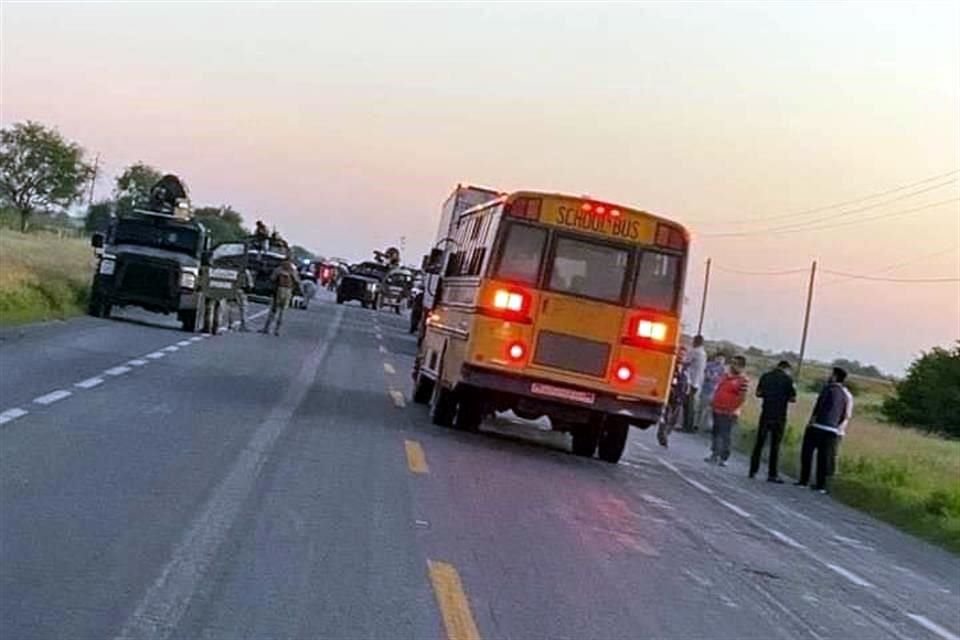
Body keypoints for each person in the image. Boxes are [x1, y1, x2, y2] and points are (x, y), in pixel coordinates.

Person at [797, 367, 854, 494]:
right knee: (824, 458)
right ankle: (821, 485)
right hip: (833, 430)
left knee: (807, 453)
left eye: (831, 374)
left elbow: (819, 406)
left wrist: (811, 421)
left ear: (835, 377)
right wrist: (837, 425)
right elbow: (845, 414)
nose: (829, 376)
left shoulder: (828, 389)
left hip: (819, 426)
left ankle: (803, 480)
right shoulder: (846, 394)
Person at [749, 360, 797, 482]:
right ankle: (772, 474)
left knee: (759, 443)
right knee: (775, 446)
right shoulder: (788, 380)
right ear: (786, 369)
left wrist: (768, 395)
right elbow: (793, 398)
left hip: (766, 413)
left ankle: (753, 470)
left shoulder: (766, 376)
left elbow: (758, 393)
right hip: (779, 416)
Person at [706, 355, 749, 466]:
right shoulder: (725, 376)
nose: (732, 365)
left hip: (729, 412)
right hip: (717, 409)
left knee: (724, 434)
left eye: (735, 363)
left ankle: (723, 457)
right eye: (732, 363)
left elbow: (742, 398)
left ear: (741, 366)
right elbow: (718, 388)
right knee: (716, 432)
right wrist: (713, 401)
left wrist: (732, 408)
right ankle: (714, 454)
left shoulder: (742, 380)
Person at [657, 347, 690, 448]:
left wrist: (686, 392)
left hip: (680, 396)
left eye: (683, 355)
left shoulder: (686, 369)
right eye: (679, 354)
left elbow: (687, 381)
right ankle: (662, 435)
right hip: (670, 394)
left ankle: (666, 433)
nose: (681, 357)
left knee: (674, 419)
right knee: (666, 416)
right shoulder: (671, 365)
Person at [260, 258, 301, 336]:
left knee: (274, 310)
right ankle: (276, 330)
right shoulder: (292, 270)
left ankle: (267, 328)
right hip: (287, 291)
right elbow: (297, 281)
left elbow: (272, 278)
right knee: (282, 312)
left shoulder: (279, 269)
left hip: (280, 290)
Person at [683, 335, 708, 432]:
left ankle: (687, 426)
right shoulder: (703, 353)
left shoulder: (695, 351)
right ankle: (689, 425)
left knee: (688, 405)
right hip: (697, 381)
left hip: (691, 381)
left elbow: (686, 361)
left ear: (696, 342)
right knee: (691, 404)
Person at [697, 353, 726, 432]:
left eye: (722, 359)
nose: (720, 361)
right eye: (719, 358)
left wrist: (713, 377)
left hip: (715, 392)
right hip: (706, 389)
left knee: (710, 410)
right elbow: (706, 375)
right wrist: (713, 377)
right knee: (701, 408)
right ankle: (696, 424)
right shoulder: (709, 365)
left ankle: (706, 426)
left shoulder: (723, 369)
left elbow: (721, 380)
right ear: (715, 358)